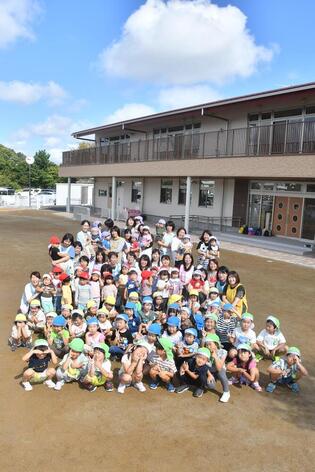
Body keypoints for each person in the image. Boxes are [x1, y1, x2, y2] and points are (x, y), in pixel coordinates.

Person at [203, 333, 230, 403]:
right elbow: (204, 366)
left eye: (210, 344)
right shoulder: (206, 352)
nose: (208, 346)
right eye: (207, 344)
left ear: (216, 344)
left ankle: (226, 392)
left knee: (221, 373)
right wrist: (209, 375)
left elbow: (219, 368)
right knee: (210, 385)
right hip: (209, 371)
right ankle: (213, 379)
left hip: (219, 370)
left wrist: (215, 357)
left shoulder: (223, 352)